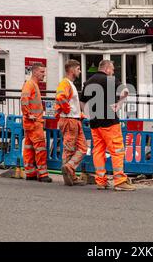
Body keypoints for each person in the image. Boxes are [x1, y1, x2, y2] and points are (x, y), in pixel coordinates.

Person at [80, 60, 136, 191]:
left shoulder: (88, 82)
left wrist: (89, 115)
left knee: (98, 150)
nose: (113, 72)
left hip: (95, 122)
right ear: (107, 69)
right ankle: (120, 181)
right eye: (112, 69)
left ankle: (101, 181)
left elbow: (82, 103)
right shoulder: (110, 80)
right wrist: (119, 104)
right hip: (109, 121)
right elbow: (125, 91)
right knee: (117, 150)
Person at [55, 59, 87, 186]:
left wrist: (79, 114)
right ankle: (70, 174)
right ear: (72, 70)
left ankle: (69, 168)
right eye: (78, 69)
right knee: (69, 149)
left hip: (74, 119)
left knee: (82, 148)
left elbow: (68, 102)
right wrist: (68, 110)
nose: (79, 71)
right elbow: (60, 97)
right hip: (70, 120)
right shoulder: (65, 83)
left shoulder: (69, 84)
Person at [20, 62, 52, 183]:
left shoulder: (32, 84)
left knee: (28, 148)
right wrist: (28, 114)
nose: (44, 74)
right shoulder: (30, 84)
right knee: (40, 148)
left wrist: (27, 115)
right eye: (42, 72)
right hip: (34, 122)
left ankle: (30, 173)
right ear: (35, 72)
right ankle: (43, 174)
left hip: (30, 122)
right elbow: (24, 99)